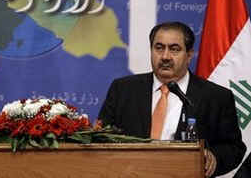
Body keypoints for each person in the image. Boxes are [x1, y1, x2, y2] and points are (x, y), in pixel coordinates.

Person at [98, 21, 246, 177]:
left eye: (174, 49)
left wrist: (214, 158)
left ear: (189, 55)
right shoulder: (123, 89)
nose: (165, 57)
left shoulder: (216, 97)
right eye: (159, 48)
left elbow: (233, 148)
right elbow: (100, 137)